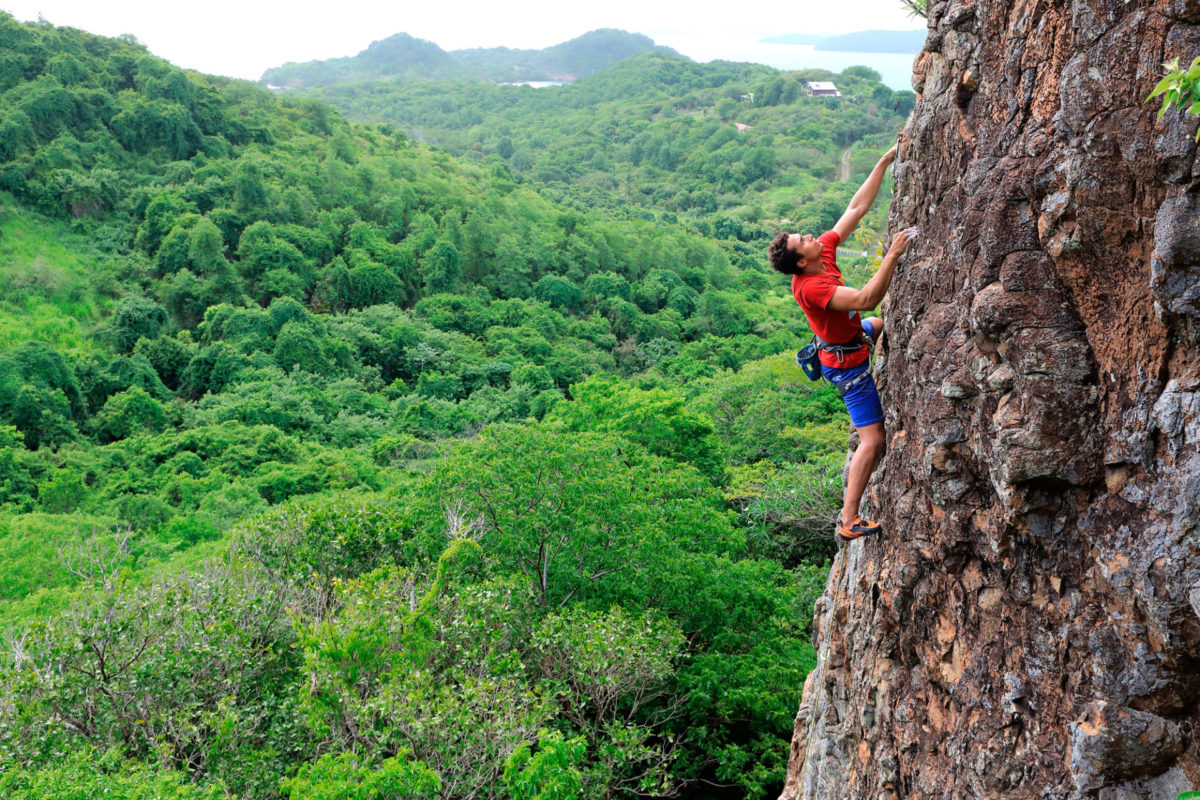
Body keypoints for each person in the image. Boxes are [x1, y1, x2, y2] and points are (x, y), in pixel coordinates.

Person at [766, 144, 917, 542]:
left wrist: (884, 162)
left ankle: (869, 392)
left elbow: (855, 208)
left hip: (854, 337)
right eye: (805, 239)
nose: (814, 236)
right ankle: (849, 520)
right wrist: (894, 254)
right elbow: (867, 296)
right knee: (875, 439)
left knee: (879, 324)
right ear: (801, 260)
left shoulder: (823, 254)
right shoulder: (812, 285)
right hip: (847, 366)